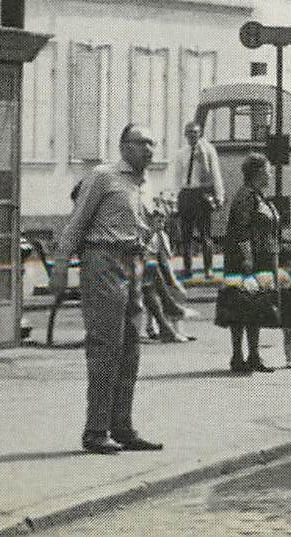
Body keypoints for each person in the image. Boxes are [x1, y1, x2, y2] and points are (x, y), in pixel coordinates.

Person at [52, 123, 163, 454]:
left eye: (152, 143)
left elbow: (139, 230)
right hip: (103, 261)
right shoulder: (103, 176)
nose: (150, 149)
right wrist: (60, 270)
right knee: (106, 346)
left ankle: (122, 426)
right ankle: (96, 429)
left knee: (131, 347)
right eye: (143, 142)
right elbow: (77, 223)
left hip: (132, 263)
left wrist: (154, 226)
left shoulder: (142, 185)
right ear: (124, 146)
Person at [215, 152, 280, 374]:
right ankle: (237, 356)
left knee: (256, 307)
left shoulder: (257, 196)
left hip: (261, 257)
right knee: (240, 306)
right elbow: (241, 231)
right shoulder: (246, 196)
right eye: (267, 171)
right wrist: (247, 258)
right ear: (258, 172)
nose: (270, 176)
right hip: (246, 260)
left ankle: (253, 355)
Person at [142, 197, 196, 343]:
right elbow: (162, 261)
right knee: (171, 295)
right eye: (157, 220)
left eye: (163, 220)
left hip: (155, 271)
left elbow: (165, 260)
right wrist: (172, 280)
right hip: (153, 271)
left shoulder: (161, 235)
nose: (161, 223)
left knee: (155, 300)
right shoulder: (151, 236)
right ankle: (166, 329)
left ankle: (158, 328)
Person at [175, 120, 225, 279]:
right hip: (186, 194)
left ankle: (208, 268)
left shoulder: (208, 150)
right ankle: (187, 268)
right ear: (185, 135)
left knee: (205, 234)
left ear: (200, 133)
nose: (192, 136)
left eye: (195, 133)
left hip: (202, 194)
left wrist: (219, 195)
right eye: (189, 133)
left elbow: (215, 174)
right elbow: (177, 177)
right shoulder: (181, 153)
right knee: (186, 234)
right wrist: (176, 197)